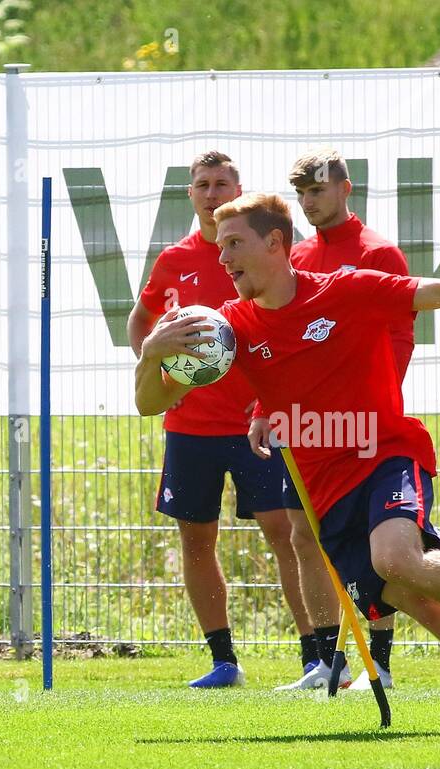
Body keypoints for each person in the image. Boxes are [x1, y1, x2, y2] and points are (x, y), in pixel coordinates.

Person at [135, 192, 440, 732]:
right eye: (220, 248)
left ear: (275, 244)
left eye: (234, 244)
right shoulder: (231, 329)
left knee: (395, 558)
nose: (223, 258)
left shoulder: (346, 289)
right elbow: (152, 402)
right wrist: (152, 353)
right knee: (432, 612)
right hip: (325, 496)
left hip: (384, 454)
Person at [126, 152, 314, 688]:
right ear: (190, 194)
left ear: (238, 189)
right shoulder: (172, 261)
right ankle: (224, 661)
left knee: (286, 533)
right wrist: (160, 372)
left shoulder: (260, 253)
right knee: (196, 539)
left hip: (256, 423)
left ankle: (315, 655)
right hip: (191, 428)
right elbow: (141, 321)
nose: (212, 193)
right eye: (202, 185)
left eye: (222, 184)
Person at [253, 148, 415, 692]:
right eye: (301, 194)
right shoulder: (294, 256)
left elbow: (399, 335)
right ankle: (327, 662)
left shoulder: (378, 253)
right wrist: (262, 409)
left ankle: (381, 663)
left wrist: (372, 404)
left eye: (317, 191)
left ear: (346, 189)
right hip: (300, 424)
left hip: (360, 424)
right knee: (304, 535)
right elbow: (274, 339)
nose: (308, 202)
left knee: (370, 538)